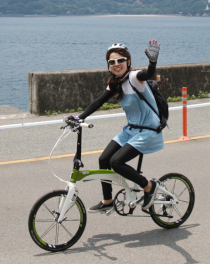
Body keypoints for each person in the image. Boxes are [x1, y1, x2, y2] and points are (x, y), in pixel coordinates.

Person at [67, 40, 163, 213]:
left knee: (116, 162)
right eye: (112, 62)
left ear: (128, 62)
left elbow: (148, 73)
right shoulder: (115, 84)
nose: (116, 64)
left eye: (120, 60)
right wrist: (78, 118)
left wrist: (153, 62)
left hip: (148, 129)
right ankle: (108, 200)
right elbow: (98, 101)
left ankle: (149, 186)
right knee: (104, 160)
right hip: (131, 129)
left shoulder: (135, 78)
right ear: (108, 66)